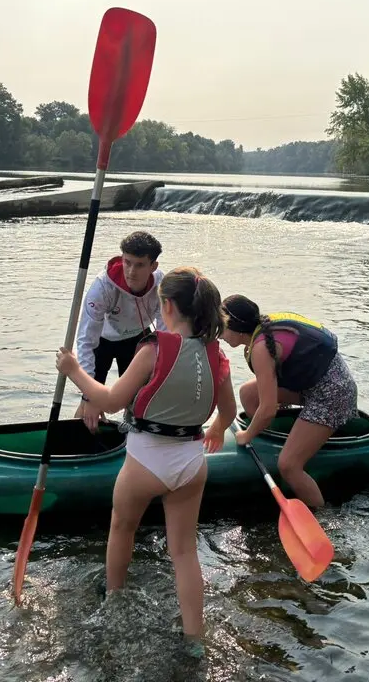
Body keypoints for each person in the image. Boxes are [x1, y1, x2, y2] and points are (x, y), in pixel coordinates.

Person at [56, 266, 237, 646]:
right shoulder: (216, 354)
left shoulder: (154, 348)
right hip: (190, 464)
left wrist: (74, 370)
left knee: (122, 528)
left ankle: (115, 600)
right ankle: (194, 638)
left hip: (144, 463)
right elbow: (229, 410)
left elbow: (109, 400)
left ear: (166, 305)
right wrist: (218, 430)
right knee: (185, 553)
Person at [219, 294, 358, 508]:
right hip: (313, 387)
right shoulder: (261, 332)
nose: (220, 336)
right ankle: (286, 442)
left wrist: (246, 435)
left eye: (222, 328)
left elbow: (267, 410)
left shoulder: (260, 348)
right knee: (248, 393)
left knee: (288, 465)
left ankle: (321, 516)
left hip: (333, 395)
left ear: (236, 327)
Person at [74, 231, 167, 432]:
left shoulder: (162, 285)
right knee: (90, 406)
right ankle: (79, 439)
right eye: (127, 262)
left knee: (139, 401)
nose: (131, 271)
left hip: (137, 338)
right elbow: (85, 342)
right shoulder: (102, 287)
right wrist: (88, 395)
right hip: (102, 340)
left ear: (154, 266)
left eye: (140, 265)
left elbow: (165, 333)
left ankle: (134, 437)